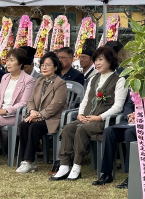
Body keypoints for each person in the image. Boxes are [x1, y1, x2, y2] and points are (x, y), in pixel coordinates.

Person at [50, 46, 128, 181]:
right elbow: (85, 100)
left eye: (100, 59)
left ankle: (77, 166)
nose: (97, 63)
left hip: (103, 120)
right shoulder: (93, 79)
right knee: (68, 128)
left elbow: (118, 107)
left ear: (110, 61)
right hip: (86, 118)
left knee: (81, 129)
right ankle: (63, 166)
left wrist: (99, 117)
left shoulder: (120, 80)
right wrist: (80, 114)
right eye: (95, 60)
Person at [16, 52, 68, 174]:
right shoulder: (39, 80)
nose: (44, 68)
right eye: (42, 65)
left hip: (53, 118)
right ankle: (27, 160)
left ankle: (29, 161)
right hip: (37, 116)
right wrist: (32, 111)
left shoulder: (60, 83)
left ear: (55, 67)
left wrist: (39, 116)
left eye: (48, 65)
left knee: (34, 126)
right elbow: (31, 100)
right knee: (23, 125)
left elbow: (56, 105)